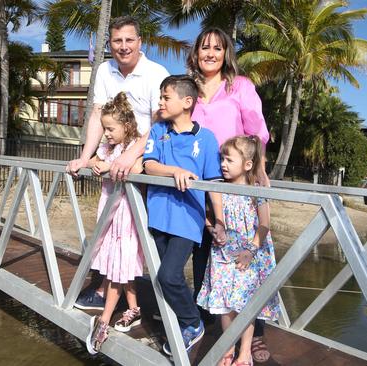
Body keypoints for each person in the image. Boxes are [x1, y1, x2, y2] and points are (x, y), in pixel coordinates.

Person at [67, 16, 169, 311]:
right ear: (110, 43)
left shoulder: (155, 73)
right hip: (114, 155)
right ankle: (107, 288)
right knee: (110, 222)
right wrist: (87, 157)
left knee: (138, 230)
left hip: (145, 154)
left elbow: (158, 122)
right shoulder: (104, 70)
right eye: (117, 41)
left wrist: (133, 155)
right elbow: (98, 116)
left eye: (129, 40)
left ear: (140, 42)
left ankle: (158, 304)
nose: (123, 47)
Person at [187, 27, 272, 363]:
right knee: (204, 252)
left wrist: (259, 170)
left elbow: (257, 132)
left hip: (236, 185)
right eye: (204, 47)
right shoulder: (188, 89)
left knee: (247, 261)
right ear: (196, 52)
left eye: (217, 48)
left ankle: (257, 333)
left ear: (226, 54)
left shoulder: (241, 86)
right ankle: (216, 328)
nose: (210, 53)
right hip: (198, 183)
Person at [143, 75, 225, 355]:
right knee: (165, 275)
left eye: (166, 97)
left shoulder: (207, 138)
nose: (161, 102)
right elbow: (150, 166)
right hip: (157, 216)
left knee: (168, 275)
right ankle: (182, 318)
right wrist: (174, 171)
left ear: (187, 102)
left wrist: (220, 220)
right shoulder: (158, 131)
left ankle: (193, 323)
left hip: (187, 220)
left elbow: (213, 183)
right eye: (161, 97)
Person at [197, 136, 280, 366]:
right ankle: (227, 347)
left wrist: (251, 251)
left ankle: (244, 352)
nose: (223, 164)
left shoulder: (257, 190)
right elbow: (210, 217)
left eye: (229, 160)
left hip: (249, 255)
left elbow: (264, 225)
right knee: (225, 304)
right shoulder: (218, 188)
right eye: (222, 159)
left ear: (247, 164)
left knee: (246, 304)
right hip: (224, 254)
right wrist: (213, 229)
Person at [85, 92, 145, 354]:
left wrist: (110, 167)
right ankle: (134, 309)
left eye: (111, 129)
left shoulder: (133, 149)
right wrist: (95, 163)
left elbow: (138, 168)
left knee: (119, 266)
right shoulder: (108, 148)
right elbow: (95, 160)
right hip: (110, 213)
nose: (106, 134)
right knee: (118, 263)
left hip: (126, 215)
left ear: (127, 127)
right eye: (105, 128)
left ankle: (104, 319)